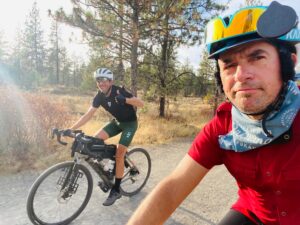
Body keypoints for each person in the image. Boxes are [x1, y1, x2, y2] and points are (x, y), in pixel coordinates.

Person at [127, 1, 300, 225]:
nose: (240, 75)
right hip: (253, 214)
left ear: (288, 64)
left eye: (257, 57)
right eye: (228, 64)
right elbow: (171, 189)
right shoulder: (222, 127)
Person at [67, 67, 144, 206]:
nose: (101, 83)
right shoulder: (99, 96)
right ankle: (108, 171)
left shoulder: (118, 91)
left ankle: (116, 190)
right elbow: (88, 115)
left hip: (130, 124)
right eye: (98, 80)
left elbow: (141, 104)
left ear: (110, 81)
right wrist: (70, 129)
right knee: (94, 141)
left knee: (120, 154)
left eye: (104, 80)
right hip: (117, 123)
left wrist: (125, 99)